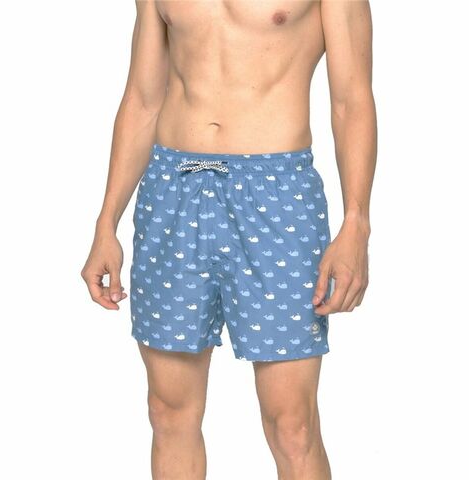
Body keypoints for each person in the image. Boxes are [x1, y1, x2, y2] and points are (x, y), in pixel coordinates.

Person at [81, 1, 377, 478]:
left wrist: (356, 223)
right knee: (168, 411)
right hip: (173, 188)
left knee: (292, 424)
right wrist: (105, 222)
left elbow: (352, 99)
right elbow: (142, 98)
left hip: (277, 198)